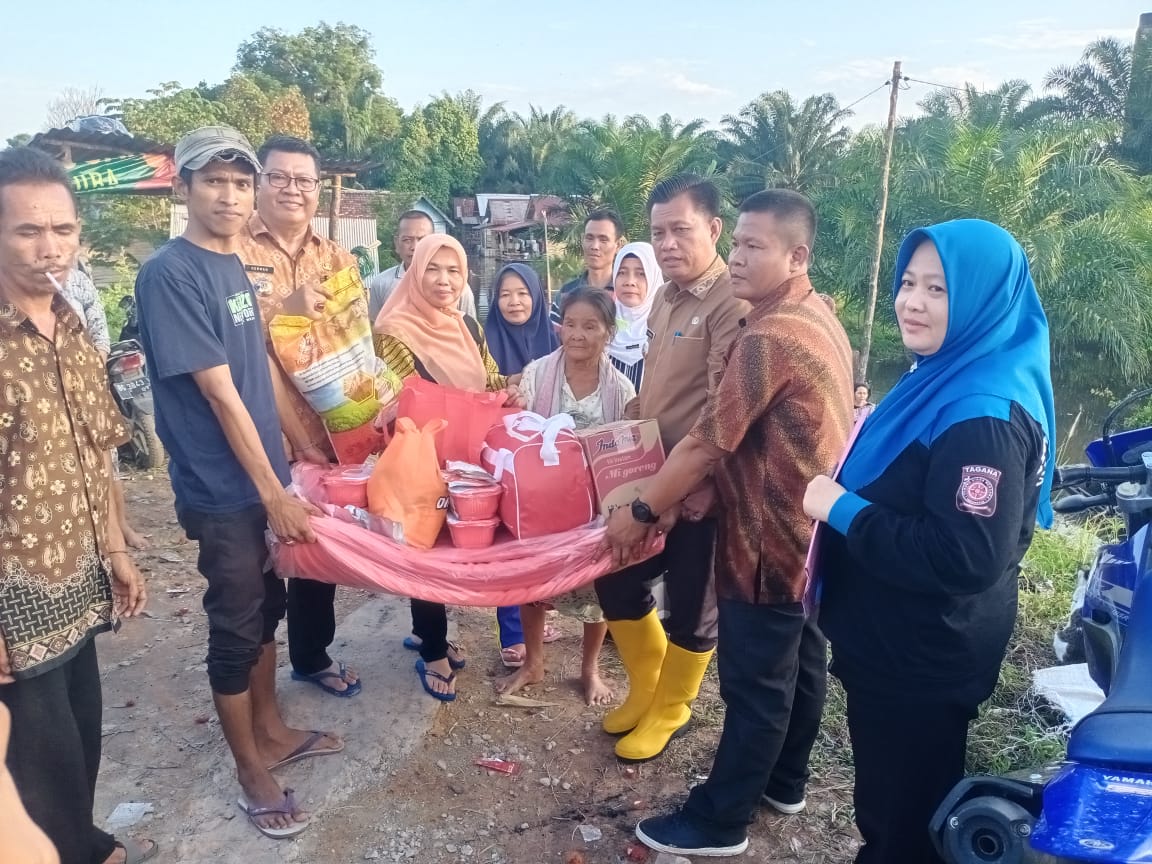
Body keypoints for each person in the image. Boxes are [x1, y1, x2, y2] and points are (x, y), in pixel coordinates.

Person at [604, 190, 853, 856]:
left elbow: (706, 443)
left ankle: (720, 818)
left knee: (755, 681)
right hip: (807, 531)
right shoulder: (815, 312)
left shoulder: (768, 335)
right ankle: (785, 779)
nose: (739, 258)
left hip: (765, 534)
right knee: (799, 658)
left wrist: (639, 511)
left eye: (753, 246)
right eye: (738, 243)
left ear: (796, 255)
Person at [803, 219, 1054, 864]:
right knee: (899, 800)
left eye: (938, 289)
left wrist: (843, 510)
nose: (912, 301)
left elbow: (965, 555)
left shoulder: (982, 415)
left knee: (905, 817)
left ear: (980, 298)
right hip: (901, 641)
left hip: (922, 653)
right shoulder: (944, 375)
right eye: (908, 283)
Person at [135, 126, 342, 840]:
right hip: (224, 489)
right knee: (234, 624)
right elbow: (221, 393)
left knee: (267, 610)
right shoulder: (171, 272)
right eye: (213, 181)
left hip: (262, 479)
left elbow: (244, 344)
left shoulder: (233, 269)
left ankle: (274, 729)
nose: (229, 195)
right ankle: (251, 768)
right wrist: (273, 493)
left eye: (238, 182)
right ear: (182, 187)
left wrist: (292, 310)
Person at [0, 147, 153, 864]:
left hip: (78, 578)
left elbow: (97, 450)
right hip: (14, 600)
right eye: (28, 230)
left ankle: (80, 843)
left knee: (80, 738)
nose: (48, 246)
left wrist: (118, 550)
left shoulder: (69, 321)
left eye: (61, 229)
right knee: (31, 766)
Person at [593, 174, 748, 763]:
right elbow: (650, 387)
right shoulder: (663, 296)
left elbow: (723, 411)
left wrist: (700, 485)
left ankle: (673, 709)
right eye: (658, 232)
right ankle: (647, 687)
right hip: (651, 471)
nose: (667, 244)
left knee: (691, 599)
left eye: (680, 230)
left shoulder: (729, 303)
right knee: (616, 573)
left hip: (700, 486)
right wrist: (618, 437)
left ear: (713, 229)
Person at [374, 234, 523, 701]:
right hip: (420, 454)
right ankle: (433, 646)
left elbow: (490, 377)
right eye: (432, 269)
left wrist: (512, 388)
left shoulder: (467, 327)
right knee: (423, 544)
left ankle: (427, 631)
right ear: (414, 272)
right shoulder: (394, 330)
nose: (443, 280)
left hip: (467, 455)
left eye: (453, 270)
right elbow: (399, 392)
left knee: (451, 545)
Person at [239, 134, 362, 698]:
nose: (293, 189)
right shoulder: (231, 253)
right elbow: (232, 341)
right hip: (253, 433)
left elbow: (355, 338)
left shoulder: (337, 258)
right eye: (279, 177)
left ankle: (311, 655)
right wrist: (284, 314)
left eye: (304, 180)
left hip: (324, 429)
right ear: (260, 183)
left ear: (319, 189)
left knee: (317, 548)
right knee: (255, 565)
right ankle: (251, 678)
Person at [495, 287, 636, 705]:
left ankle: (589, 670)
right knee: (533, 585)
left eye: (590, 326)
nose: (577, 334)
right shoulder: (537, 373)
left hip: (593, 509)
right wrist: (512, 401)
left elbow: (626, 450)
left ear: (608, 332)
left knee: (598, 592)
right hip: (542, 504)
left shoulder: (621, 390)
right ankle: (533, 662)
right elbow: (516, 427)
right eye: (570, 324)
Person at [483, 263, 561, 668]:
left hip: (545, 459)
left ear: (536, 296)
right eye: (505, 294)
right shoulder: (484, 340)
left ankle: (537, 616)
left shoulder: (553, 336)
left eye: (522, 293)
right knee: (510, 539)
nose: (514, 302)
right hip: (503, 458)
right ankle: (512, 632)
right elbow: (479, 387)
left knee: (539, 538)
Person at [57, 264, 151, 552]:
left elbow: (99, 330)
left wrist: (88, 369)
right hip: (41, 392)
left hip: (86, 385)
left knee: (108, 463)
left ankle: (120, 530)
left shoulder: (77, 281)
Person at [369, 210, 476, 321]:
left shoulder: (456, 288)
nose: (415, 247)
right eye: (407, 240)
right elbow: (375, 330)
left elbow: (471, 332)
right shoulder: (381, 283)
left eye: (422, 240)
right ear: (397, 243)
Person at [548, 208, 624, 327]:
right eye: (589, 238)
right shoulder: (566, 293)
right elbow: (554, 339)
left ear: (618, 245)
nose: (595, 246)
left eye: (603, 239)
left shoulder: (627, 292)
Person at [607, 242, 663, 390]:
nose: (630, 282)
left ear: (654, 277)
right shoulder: (602, 323)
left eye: (641, 274)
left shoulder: (667, 329)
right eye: (622, 272)